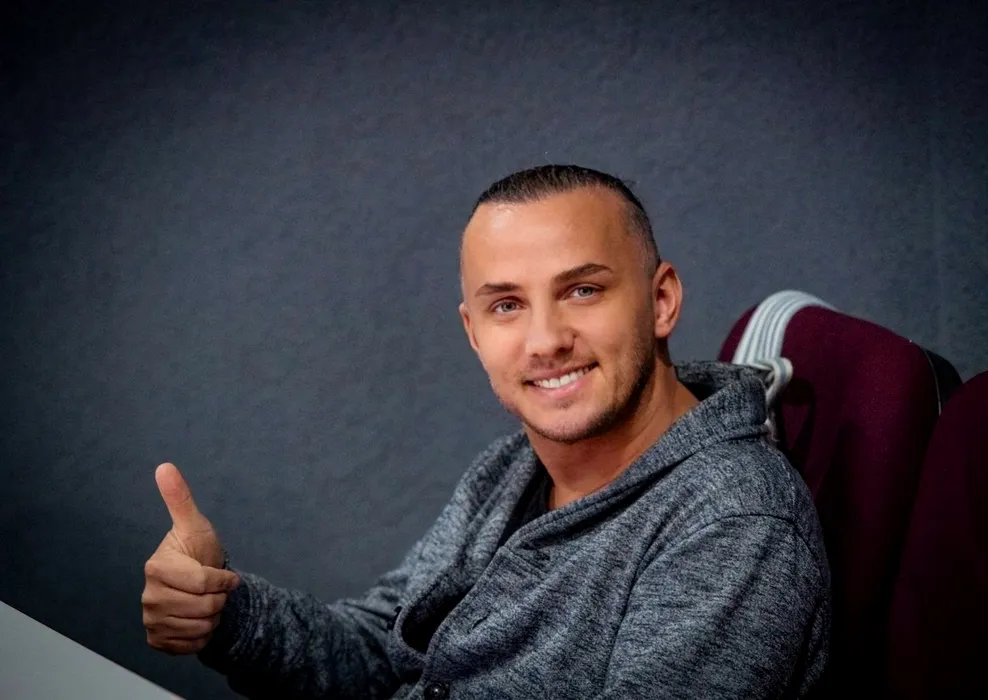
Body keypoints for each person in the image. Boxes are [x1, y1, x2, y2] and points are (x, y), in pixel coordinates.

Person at [142, 165, 830, 699]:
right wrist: (224, 610)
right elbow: (383, 653)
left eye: (582, 290)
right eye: (506, 305)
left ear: (660, 301)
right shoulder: (513, 469)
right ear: (473, 332)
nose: (545, 340)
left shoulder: (733, 523)